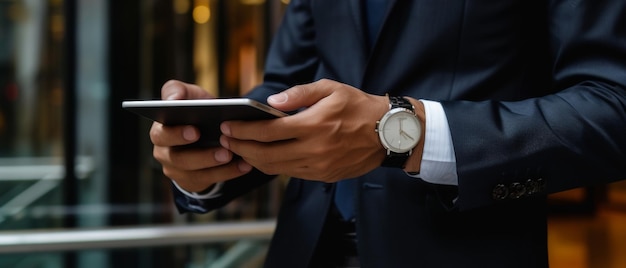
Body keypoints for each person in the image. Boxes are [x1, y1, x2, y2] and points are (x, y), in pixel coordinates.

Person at [150, 0, 626, 267]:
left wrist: (406, 132)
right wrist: (212, 153)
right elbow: (286, 90)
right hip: (304, 251)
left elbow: (613, 105)